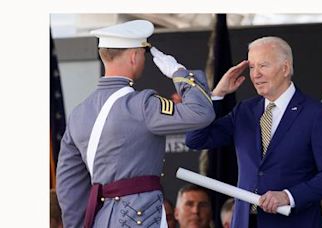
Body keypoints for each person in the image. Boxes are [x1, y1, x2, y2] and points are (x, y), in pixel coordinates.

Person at [56, 20, 215, 228]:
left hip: (101, 219)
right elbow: (201, 112)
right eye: (143, 54)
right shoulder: (142, 104)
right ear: (134, 56)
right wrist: (180, 73)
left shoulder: (79, 113)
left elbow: (69, 185)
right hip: (141, 217)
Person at [186, 36, 322, 228]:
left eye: (263, 66)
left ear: (285, 68)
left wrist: (288, 196)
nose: (256, 75)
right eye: (252, 67)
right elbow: (195, 139)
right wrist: (218, 94)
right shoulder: (244, 111)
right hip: (246, 222)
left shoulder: (314, 114)